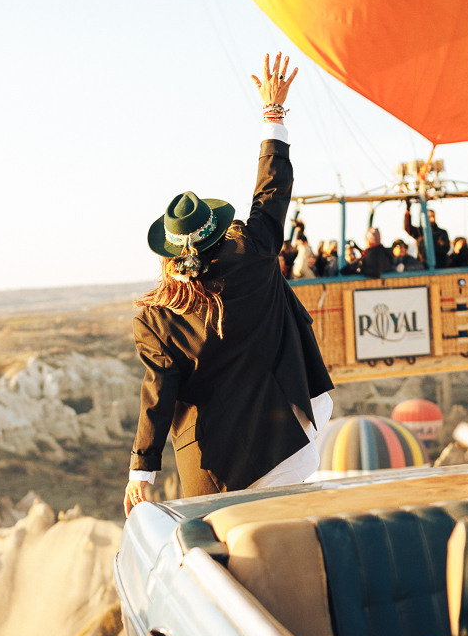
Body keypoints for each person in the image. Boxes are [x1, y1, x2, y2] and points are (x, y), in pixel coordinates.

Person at [125, 54, 334, 513]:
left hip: (216, 477)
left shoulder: (155, 317)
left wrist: (142, 469)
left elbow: (158, 393)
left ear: (168, 252)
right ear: (218, 230)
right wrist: (272, 113)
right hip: (289, 443)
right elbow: (271, 191)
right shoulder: (253, 250)